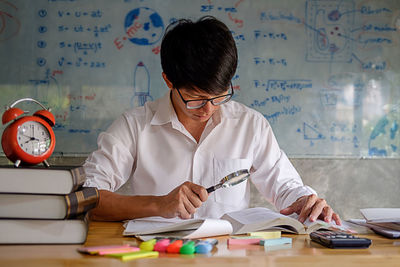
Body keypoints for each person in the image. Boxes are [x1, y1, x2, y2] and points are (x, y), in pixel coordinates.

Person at [83, 16, 341, 225]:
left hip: (229, 257)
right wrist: (159, 204)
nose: (208, 109)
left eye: (219, 97)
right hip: (157, 255)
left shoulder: (250, 124)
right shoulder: (134, 126)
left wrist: (305, 200)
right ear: (168, 81)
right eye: (195, 98)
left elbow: (285, 185)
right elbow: (86, 198)